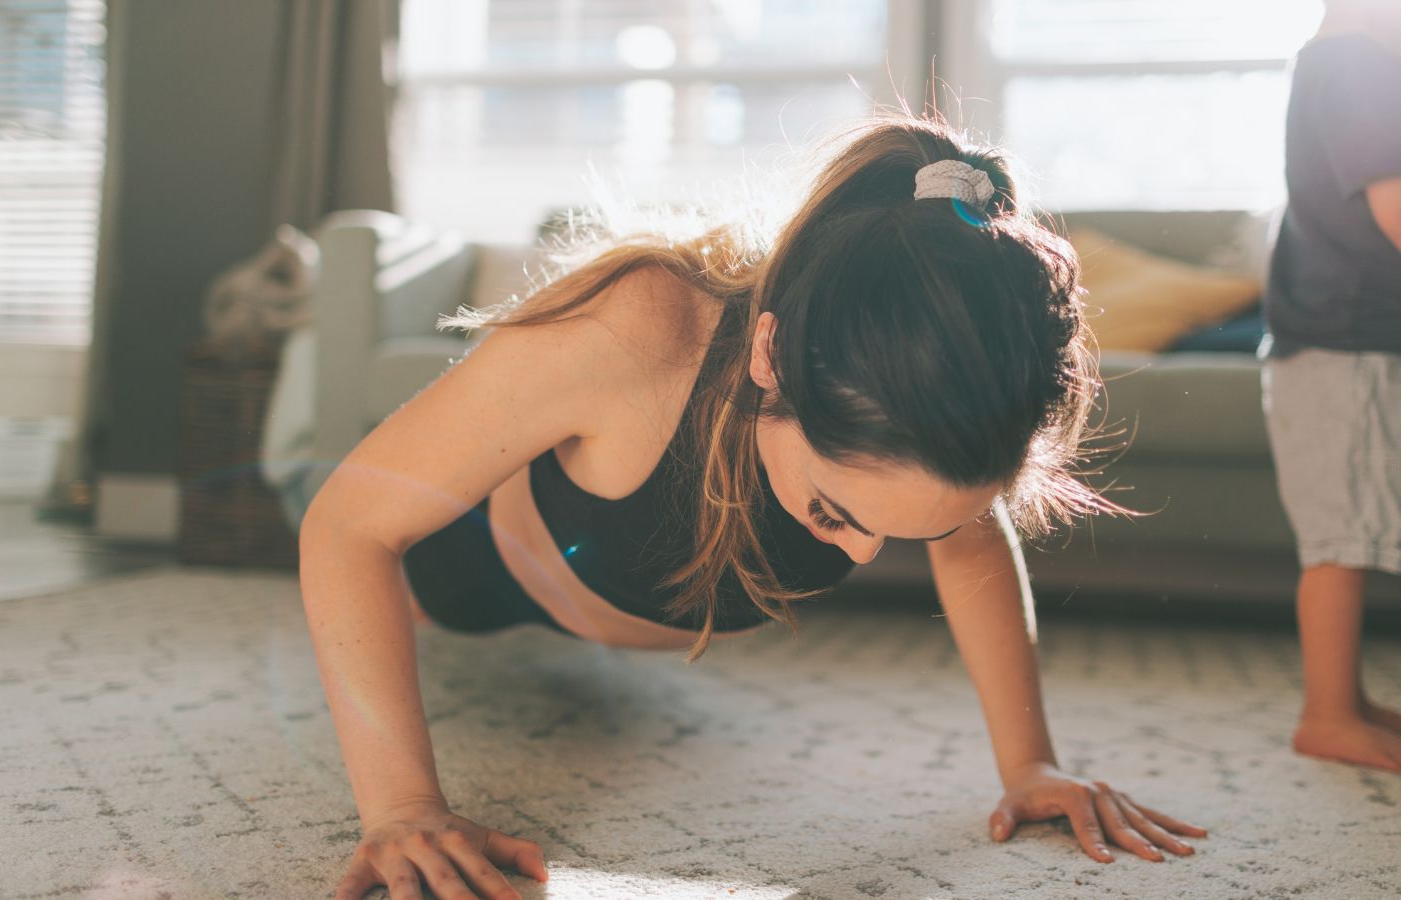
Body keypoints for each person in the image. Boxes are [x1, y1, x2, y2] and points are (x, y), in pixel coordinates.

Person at [298, 114, 1207, 900]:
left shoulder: (923, 397)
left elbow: (970, 548)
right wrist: (403, 809)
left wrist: (1030, 764)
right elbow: (350, 527)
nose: (862, 554)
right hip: (476, 566)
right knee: (302, 505)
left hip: (615, 611)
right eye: (837, 514)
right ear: (769, 357)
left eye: (903, 530)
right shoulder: (636, 327)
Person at [1261, 0, 1401, 772]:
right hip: (1344, 342)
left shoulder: (1342, 61)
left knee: (1351, 529)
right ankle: (1327, 713)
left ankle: (1345, 700)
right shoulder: (1358, 66)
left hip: (1342, 338)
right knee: (1341, 542)